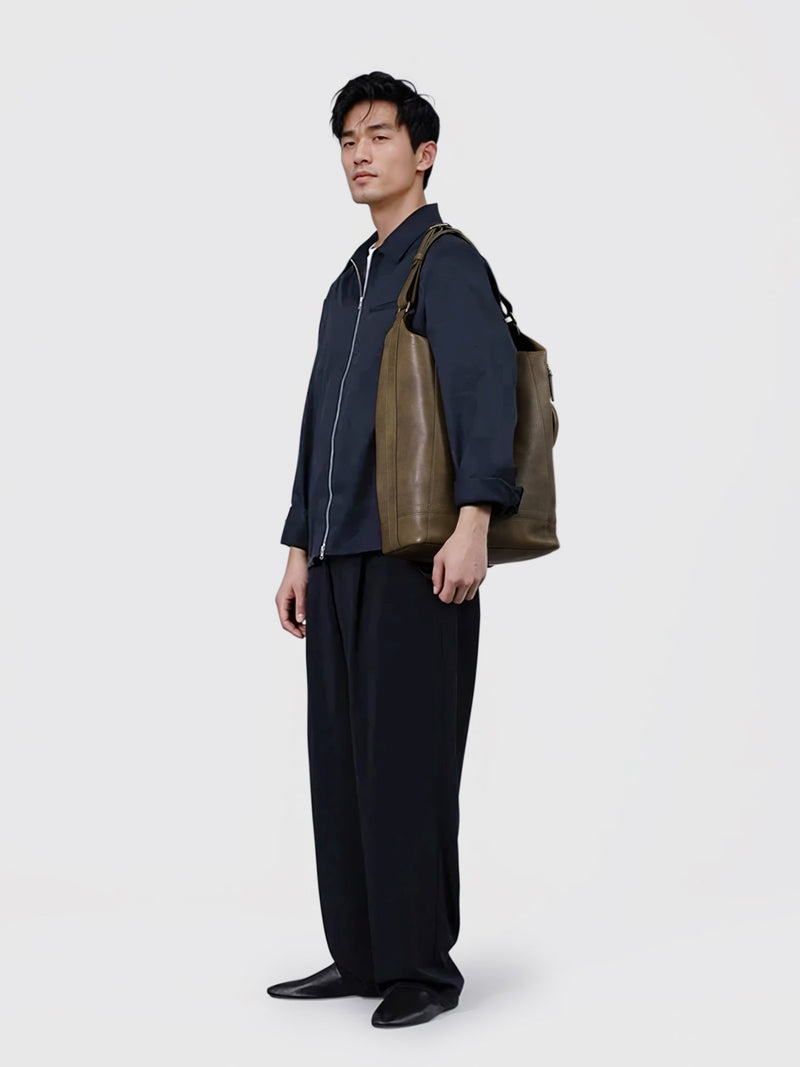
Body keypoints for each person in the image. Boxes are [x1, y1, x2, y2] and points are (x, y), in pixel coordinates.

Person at [268, 71, 523, 1028]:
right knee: (341, 763)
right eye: (347, 139)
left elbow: (485, 394)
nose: (359, 153)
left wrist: (475, 522)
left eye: (378, 135)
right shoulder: (350, 279)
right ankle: (362, 952)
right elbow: (317, 421)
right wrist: (299, 545)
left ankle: (421, 966)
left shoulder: (446, 263)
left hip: (418, 554)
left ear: (424, 153)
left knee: (407, 763)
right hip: (337, 557)